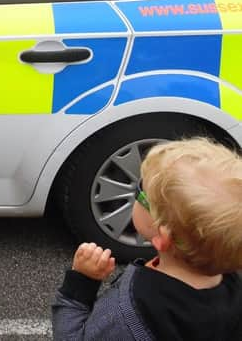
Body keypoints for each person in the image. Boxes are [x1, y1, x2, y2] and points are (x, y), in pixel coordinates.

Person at [52, 137, 242, 341]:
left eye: (141, 191)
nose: (137, 191)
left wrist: (80, 286)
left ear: (164, 235)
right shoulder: (232, 291)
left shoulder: (127, 316)